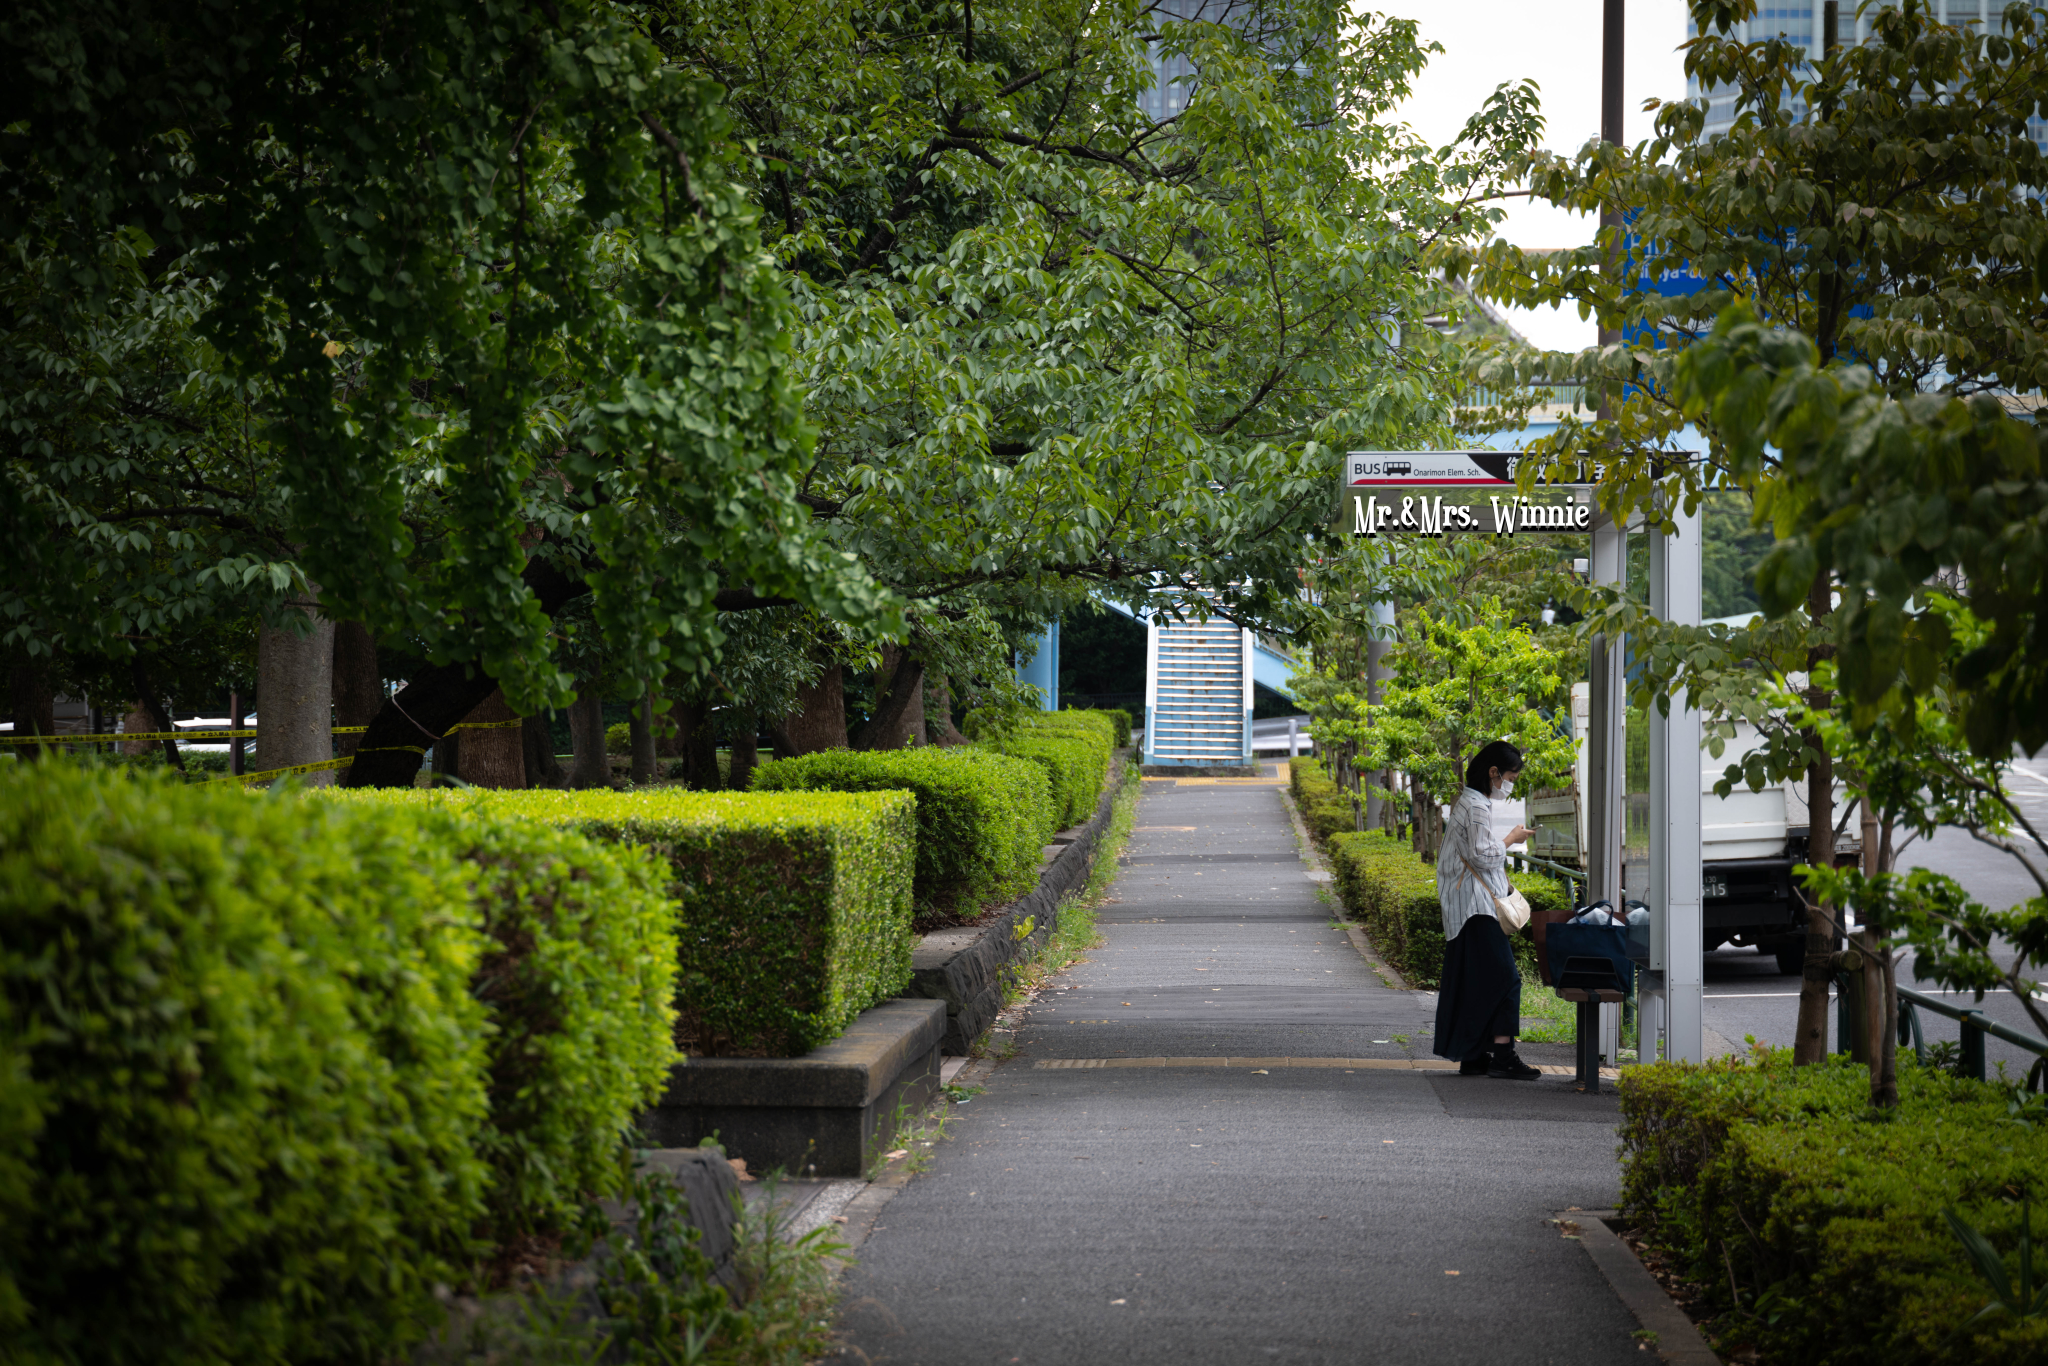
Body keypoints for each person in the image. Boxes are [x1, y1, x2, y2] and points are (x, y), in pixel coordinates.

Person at [1432, 739, 1541, 1080]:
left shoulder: (1469, 801)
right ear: (1494, 772)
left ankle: (1475, 1055)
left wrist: (1504, 885)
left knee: (1475, 981)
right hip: (1474, 908)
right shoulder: (1477, 806)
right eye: (1510, 776)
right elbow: (1483, 854)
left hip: (1464, 904)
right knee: (1506, 979)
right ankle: (1503, 1056)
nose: (1511, 784)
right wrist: (1511, 839)